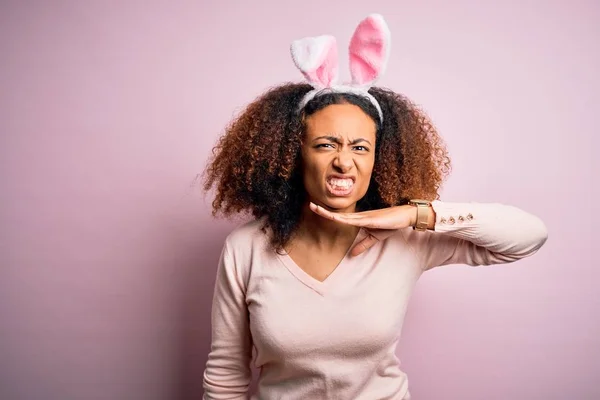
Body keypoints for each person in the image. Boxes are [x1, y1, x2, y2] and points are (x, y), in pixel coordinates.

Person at [200, 14, 548, 400]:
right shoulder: (246, 248)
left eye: (360, 147)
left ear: (378, 159)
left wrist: (417, 214)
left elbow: (529, 236)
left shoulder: (406, 240)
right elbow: (226, 374)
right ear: (292, 155)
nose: (344, 162)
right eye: (325, 144)